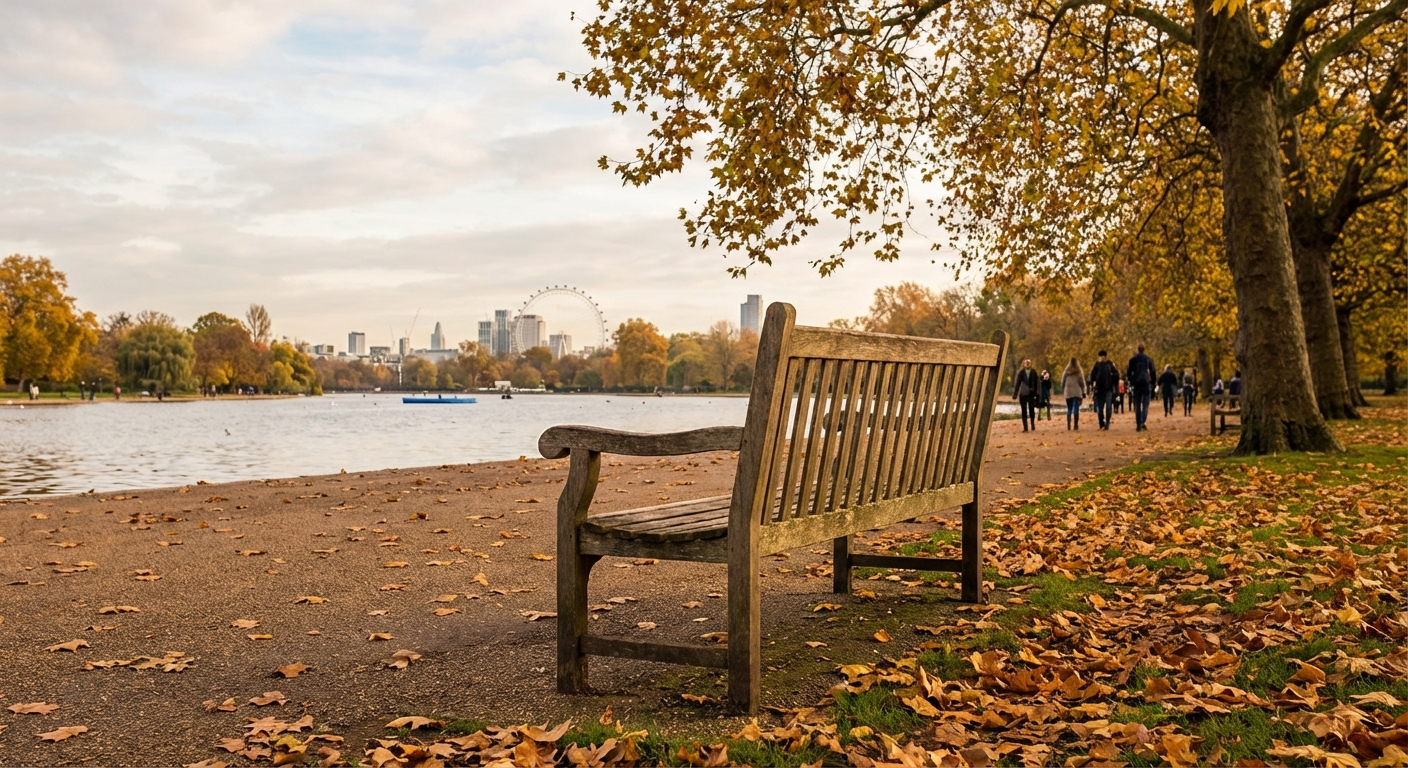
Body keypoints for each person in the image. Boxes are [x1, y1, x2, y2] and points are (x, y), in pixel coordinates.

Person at [1126, 344, 1156, 431]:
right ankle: (1143, 421)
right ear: (1144, 349)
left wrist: (1131, 380)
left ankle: (1138, 423)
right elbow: (1153, 371)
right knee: (1145, 404)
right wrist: (1153, 383)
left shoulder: (1133, 359)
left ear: (1138, 349)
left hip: (1137, 383)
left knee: (1137, 404)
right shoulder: (1148, 359)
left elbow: (1129, 371)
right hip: (1146, 382)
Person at [1089, 350, 1120, 430]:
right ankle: (1101, 422)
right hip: (1100, 389)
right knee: (1101, 407)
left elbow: (1116, 375)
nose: (1101, 358)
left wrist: (1113, 380)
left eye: (1102, 356)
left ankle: (1107, 422)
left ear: (1105, 356)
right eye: (1100, 356)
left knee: (1108, 407)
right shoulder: (1097, 365)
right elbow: (1092, 376)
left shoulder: (1110, 364)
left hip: (1108, 389)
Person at [1013, 358, 1041, 432]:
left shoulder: (1033, 372)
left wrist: (1037, 393)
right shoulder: (1021, 373)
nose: (1027, 364)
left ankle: (1032, 425)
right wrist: (1015, 394)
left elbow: (1037, 383)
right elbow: (1017, 383)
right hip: (1023, 394)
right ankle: (1025, 427)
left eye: (1029, 363)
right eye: (1026, 363)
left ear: (1031, 364)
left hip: (1031, 394)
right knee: (1024, 410)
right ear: (1024, 364)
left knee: (1032, 410)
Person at [1061, 358, 1085, 430]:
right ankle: (1075, 425)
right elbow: (1082, 383)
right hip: (1077, 392)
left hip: (1068, 392)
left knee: (1069, 408)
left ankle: (1068, 424)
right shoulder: (1079, 372)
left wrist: (1063, 389)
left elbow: (1063, 381)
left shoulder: (1066, 372)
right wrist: (1083, 391)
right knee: (1076, 408)